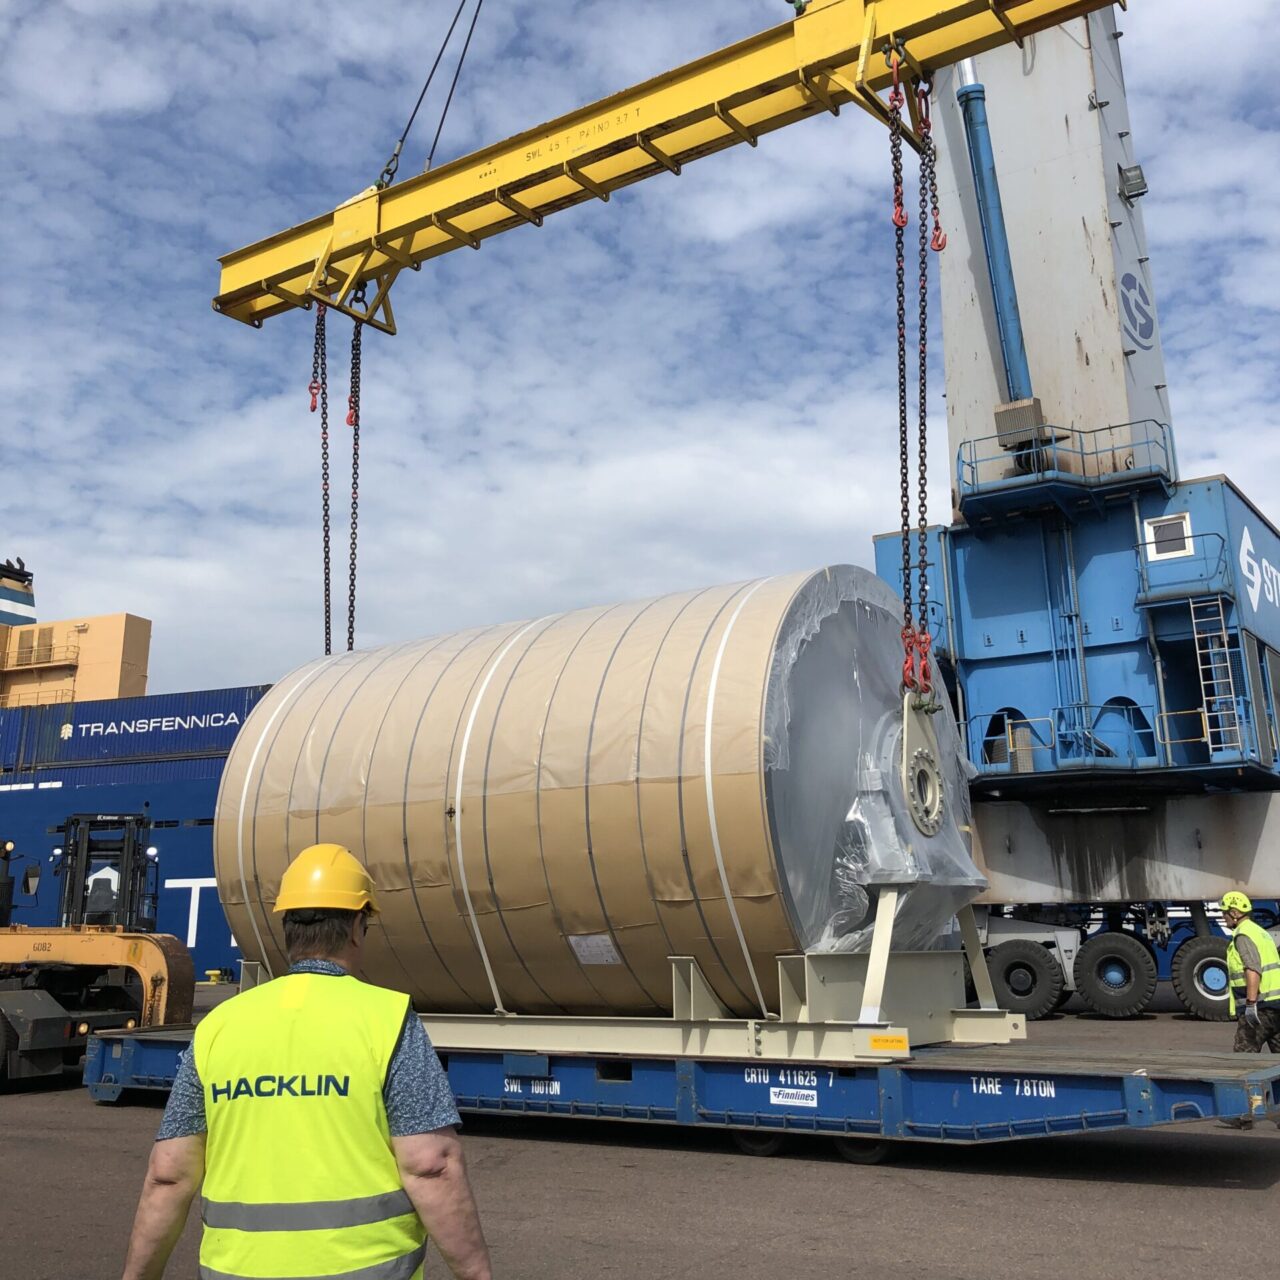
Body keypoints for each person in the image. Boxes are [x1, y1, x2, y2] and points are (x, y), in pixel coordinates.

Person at [120, 843, 492, 1280]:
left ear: (288, 929)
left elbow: (169, 1176)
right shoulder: (387, 1020)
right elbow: (431, 1165)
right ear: (357, 926)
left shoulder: (219, 1027)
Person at [1222, 890, 1280, 1055]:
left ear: (1234, 913)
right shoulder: (1260, 932)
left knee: (1244, 1058)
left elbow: (1253, 969)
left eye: (1224, 913)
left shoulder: (1243, 935)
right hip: (1276, 1005)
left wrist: (1250, 1004)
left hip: (1261, 1007)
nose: (1223, 917)